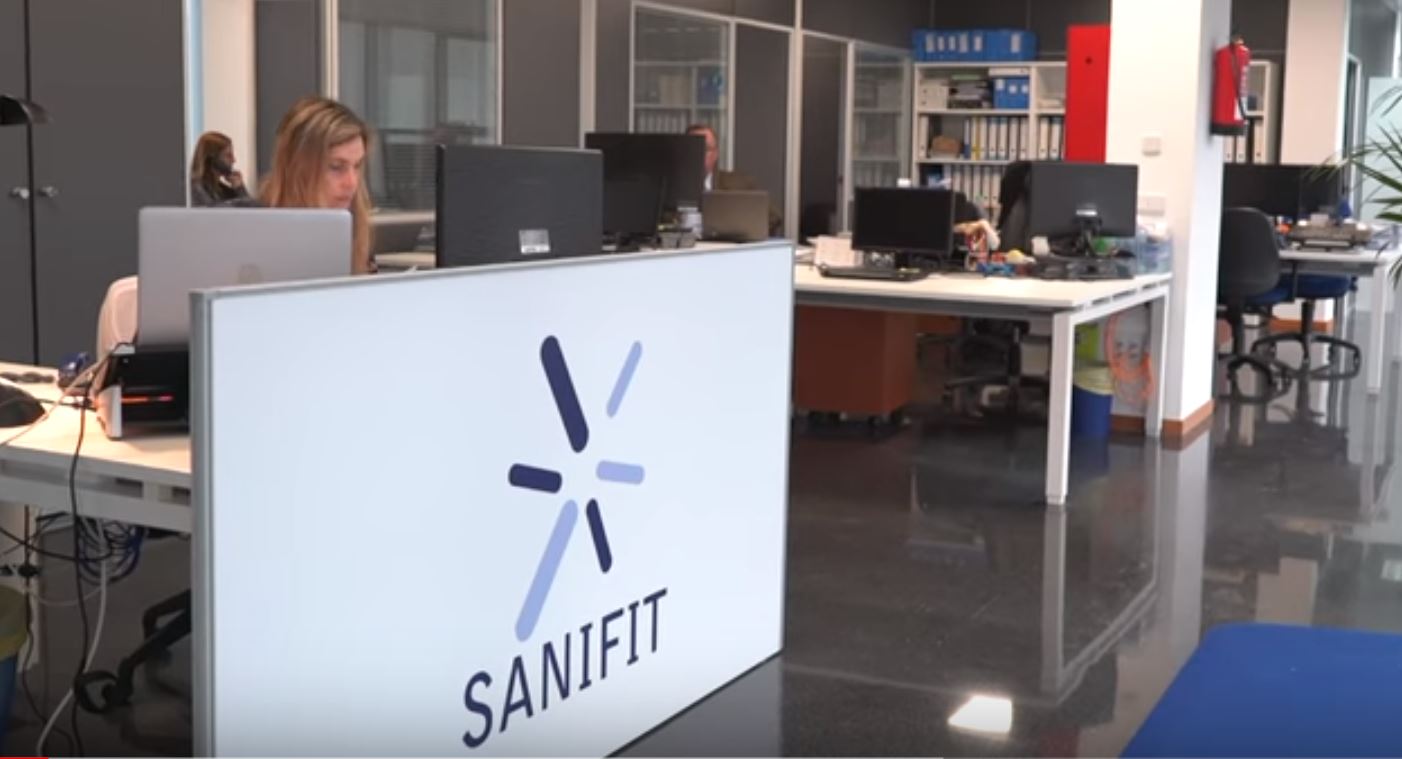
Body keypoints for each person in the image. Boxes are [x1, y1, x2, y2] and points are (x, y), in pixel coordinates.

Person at [261, 96, 375, 274]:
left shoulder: (354, 234)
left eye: (357, 166)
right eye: (336, 167)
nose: (352, 183)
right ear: (298, 167)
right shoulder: (252, 237)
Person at [685, 123, 783, 236]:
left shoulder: (738, 183)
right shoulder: (669, 187)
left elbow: (774, 216)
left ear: (716, 154)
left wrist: (746, 233)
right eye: (693, 148)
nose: (700, 153)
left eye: (706, 149)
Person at [189, 131, 250, 207]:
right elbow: (212, 210)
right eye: (228, 155)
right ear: (211, 157)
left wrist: (240, 188)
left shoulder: (222, 189)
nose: (233, 160)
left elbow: (249, 210)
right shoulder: (195, 188)